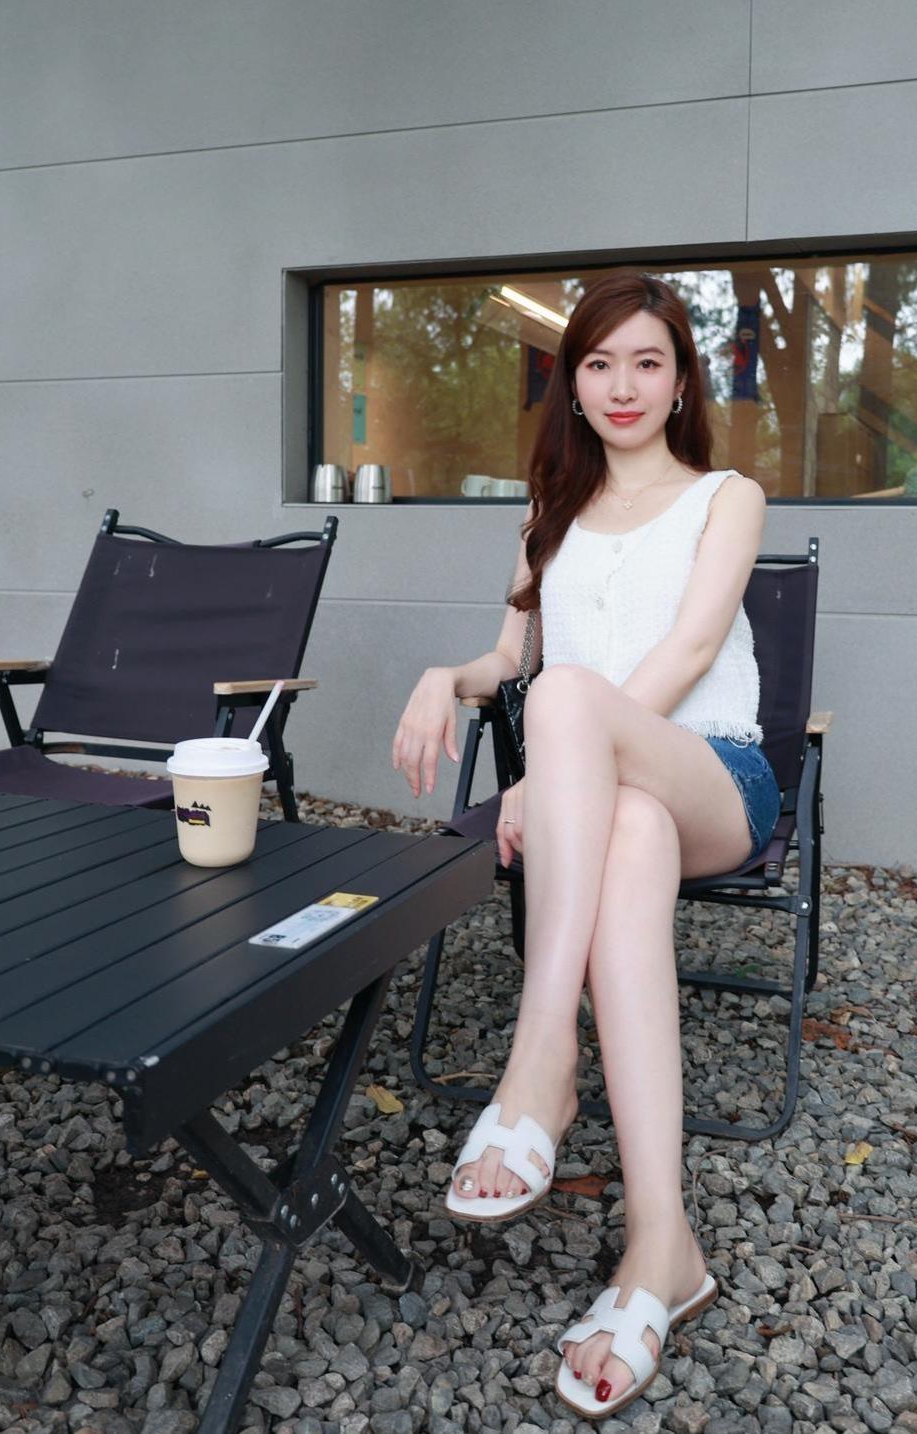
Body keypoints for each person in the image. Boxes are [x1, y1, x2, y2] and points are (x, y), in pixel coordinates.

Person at [391, 271, 780, 1419]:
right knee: (627, 827)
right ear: (571, 384)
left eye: (647, 362)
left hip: (715, 772)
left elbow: (692, 647)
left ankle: (540, 1063)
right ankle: (663, 1247)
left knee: (572, 707)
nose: (622, 385)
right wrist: (446, 677)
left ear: (682, 381)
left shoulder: (727, 497)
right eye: (599, 363)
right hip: (624, 802)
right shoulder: (548, 509)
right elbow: (507, 659)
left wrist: (562, 754)